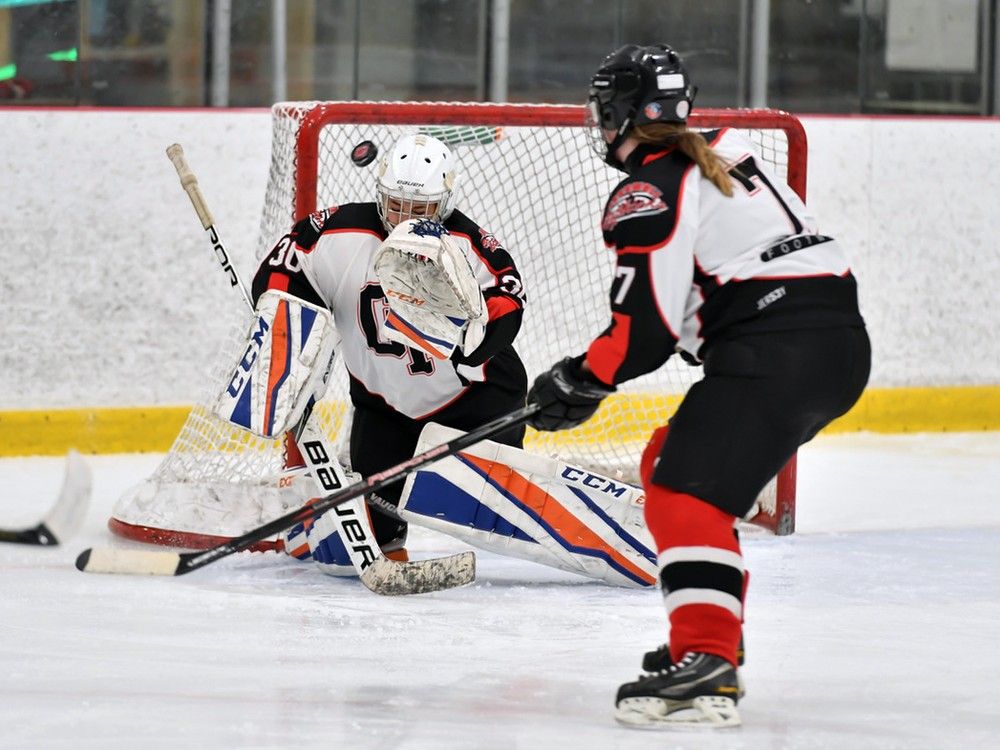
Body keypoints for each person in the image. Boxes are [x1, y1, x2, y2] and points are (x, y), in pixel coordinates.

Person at [526, 44, 870, 728]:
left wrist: (580, 378)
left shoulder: (649, 185)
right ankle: (713, 625)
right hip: (835, 346)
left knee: (685, 492)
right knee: (669, 466)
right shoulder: (725, 154)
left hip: (776, 351)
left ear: (619, 114)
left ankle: (708, 662)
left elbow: (644, 331)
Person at [251, 133, 528, 569]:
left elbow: (509, 298)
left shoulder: (468, 243)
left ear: (445, 203)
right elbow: (280, 271)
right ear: (380, 195)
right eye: (397, 205)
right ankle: (373, 535)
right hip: (384, 406)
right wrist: (289, 326)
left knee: (491, 509)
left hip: (477, 399)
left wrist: (482, 341)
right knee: (374, 535)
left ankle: (515, 482)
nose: (406, 218)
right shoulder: (335, 232)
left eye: (422, 209)